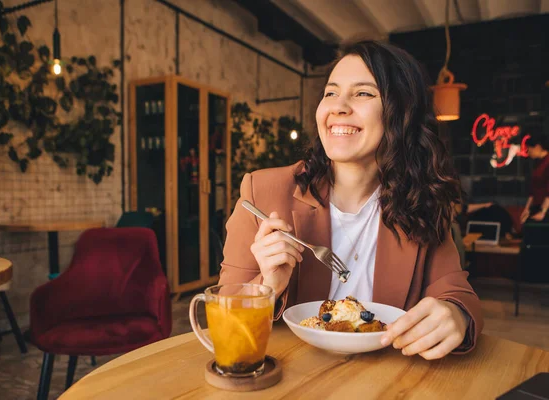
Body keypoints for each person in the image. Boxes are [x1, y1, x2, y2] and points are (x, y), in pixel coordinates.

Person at [219, 41, 482, 359]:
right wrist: (268, 285)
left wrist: (455, 316)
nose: (338, 106)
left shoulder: (421, 201)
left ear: (401, 112)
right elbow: (223, 317)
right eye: (330, 93)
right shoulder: (261, 192)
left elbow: (456, 293)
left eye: (363, 93)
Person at [520, 135, 549, 223]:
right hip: (537, 206)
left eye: (529, 148)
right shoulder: (537, 164)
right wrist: (527, 209)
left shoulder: (547, 163)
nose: (527, 151)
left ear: (537, 147)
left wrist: (543, 212)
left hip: (545, 208)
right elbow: (533, 189)